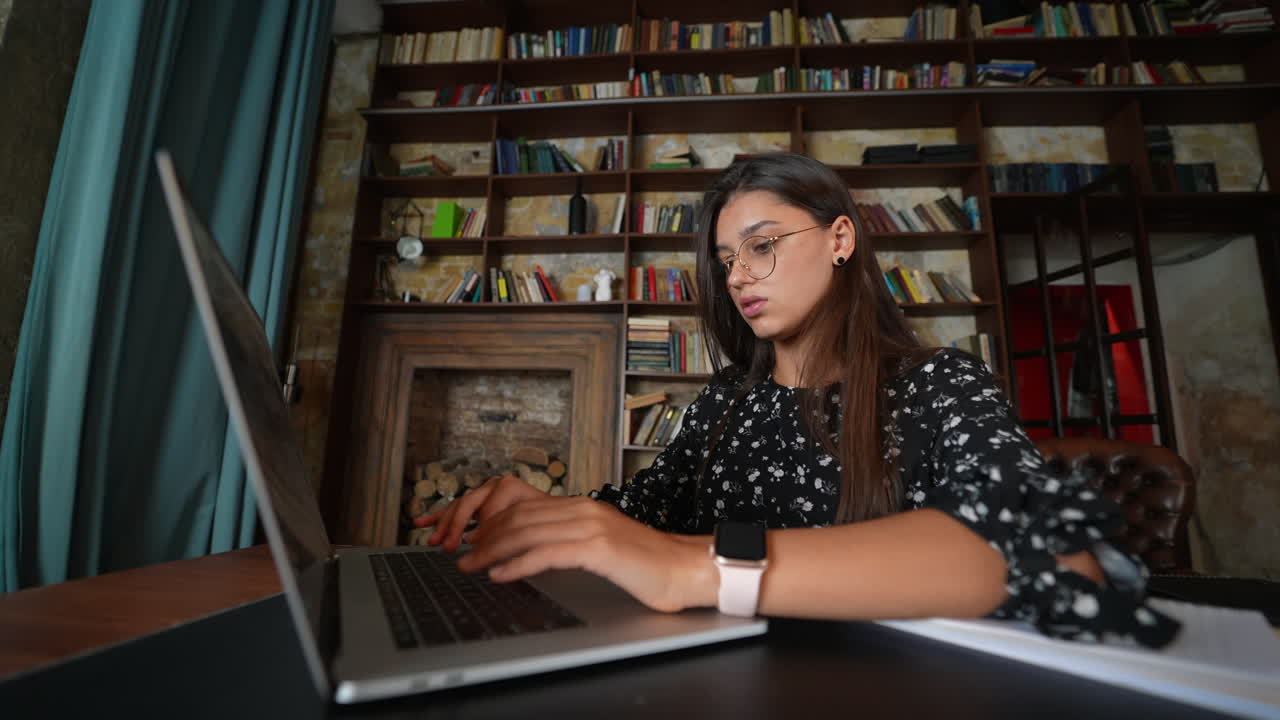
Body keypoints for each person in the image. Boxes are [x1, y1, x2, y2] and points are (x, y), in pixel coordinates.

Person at [421, 152, 1177, 647]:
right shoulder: (723, 403)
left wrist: (701, 567)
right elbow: (644, 517)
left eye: (763, 244)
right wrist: (554, 513)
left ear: (841, 238)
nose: (740, 275)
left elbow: (1060, 560)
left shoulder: (938, 384)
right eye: (725, 260)